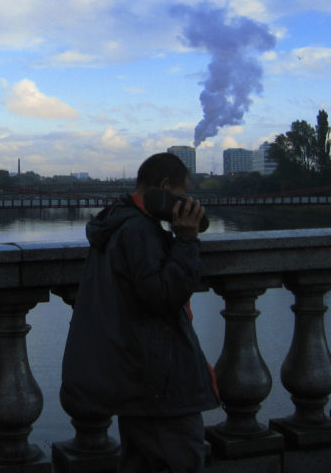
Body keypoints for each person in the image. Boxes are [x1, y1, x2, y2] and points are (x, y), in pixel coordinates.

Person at [60, 152, 219, 473]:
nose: (185, 202)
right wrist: (187, 241)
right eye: (182, 194)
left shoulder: (117, 222)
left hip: (136, 374)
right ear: (164, 187)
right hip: (158, 380)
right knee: (182, 460)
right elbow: (162, 296)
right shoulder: (139, 232)